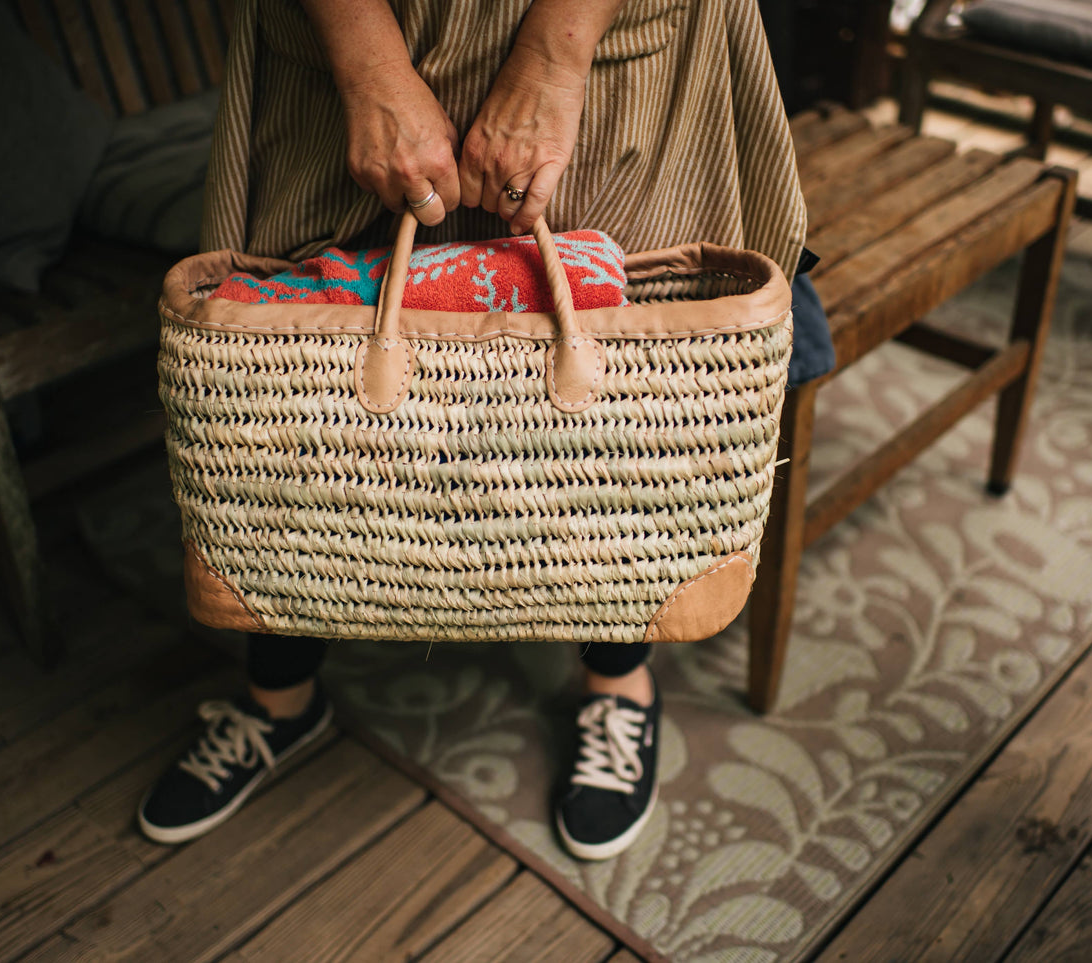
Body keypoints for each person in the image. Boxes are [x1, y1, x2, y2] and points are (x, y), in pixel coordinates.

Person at [138, 0, 811, 861]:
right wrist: (368, 67)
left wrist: (556, 52)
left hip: (613, 43)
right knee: (293, 365)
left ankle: (617, 680)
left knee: (627, 381)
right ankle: (280, 697)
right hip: (338, 39)